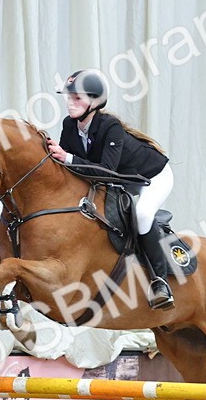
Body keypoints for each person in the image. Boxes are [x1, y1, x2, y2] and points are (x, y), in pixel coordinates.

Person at [46, 69, 175, 310]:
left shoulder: (110, 126)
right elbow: (67, 168)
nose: (70, 103)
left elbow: (106, 170)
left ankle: (160, 282)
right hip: (121, 179)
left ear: (94, 102)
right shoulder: (69, 125)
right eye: (68, 97)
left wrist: (68, 158)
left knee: (143, 214)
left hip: (152, 176)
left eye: (77, 98)